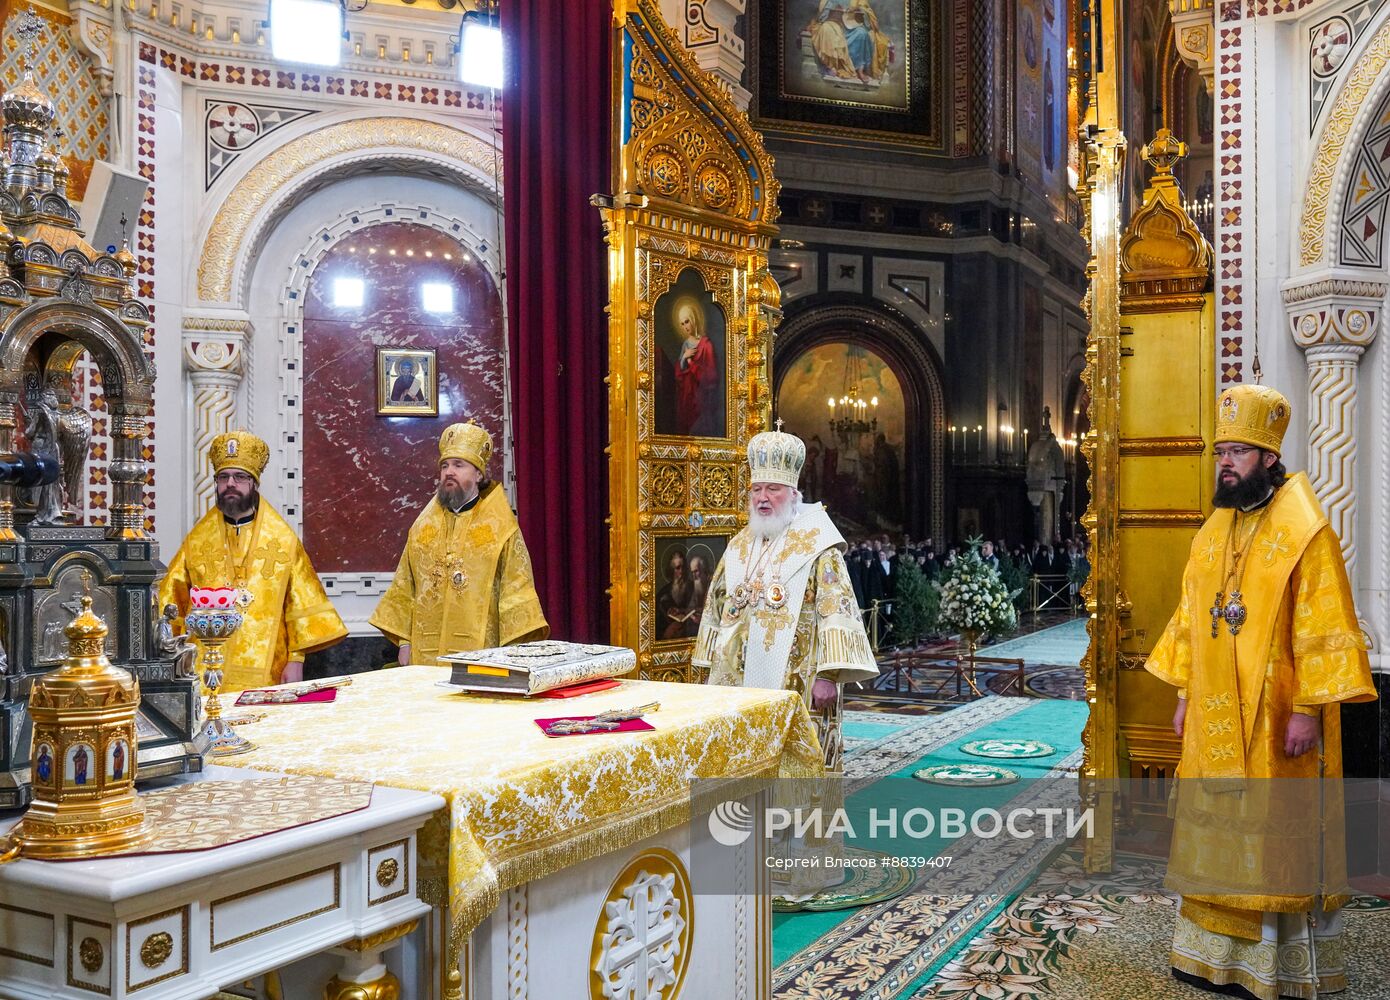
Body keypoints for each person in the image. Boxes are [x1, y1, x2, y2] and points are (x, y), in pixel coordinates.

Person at [1144, 384, 1376, 1000]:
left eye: (1239, 451)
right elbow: (1194, 617)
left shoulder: (1306, 532)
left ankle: (1274, 967)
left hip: (1278, 722)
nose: (1225, 461)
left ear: (1269, 458)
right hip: (1216, 710)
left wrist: (1306, 709)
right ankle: (1208, 958)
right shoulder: (1214, 530)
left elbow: (1323, 626)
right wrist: (1186, 695)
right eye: (1221, 450)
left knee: (1271, 837)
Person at [694, 425, 879, 766]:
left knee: (798, 772)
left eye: (773, 489)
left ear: (794, 493)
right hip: (738, 681)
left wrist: (828, 676)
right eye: (757, 489)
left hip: (800, 678)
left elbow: (837, 612)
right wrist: (710, 667)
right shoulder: (739, 546)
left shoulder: (819, 546)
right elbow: (717, 607)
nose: (762, 497)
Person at [159, 432, 346, 691]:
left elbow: (300, 602)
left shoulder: (281, 539)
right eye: (223, 477)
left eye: (240, 477)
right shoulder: (197, 541)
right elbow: (171, 603)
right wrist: (171, 656)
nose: (230, 484)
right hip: (206, 667)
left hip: (269, 665)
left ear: (254, 483)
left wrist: (296, 659)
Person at [371, 420, 548, 665]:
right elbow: (405, 588)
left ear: (478, 474)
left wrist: (511, 654)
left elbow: (516, 592)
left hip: (484, 656)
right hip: (425, 658)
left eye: (458, 465)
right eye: (444, 466)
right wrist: (405, 643)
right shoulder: (423, 528)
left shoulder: (501, 529)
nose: (449, 472)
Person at [673, 299, 720, 437]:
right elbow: (678, 375)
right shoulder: (685, 345)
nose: (685, 327)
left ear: (694, 318)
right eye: (682, 324)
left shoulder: (706, 345)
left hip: (702, 398)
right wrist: (683, 358)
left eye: (687, 321)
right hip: (686, 396)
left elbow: (711, 378)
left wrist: (692, 365)